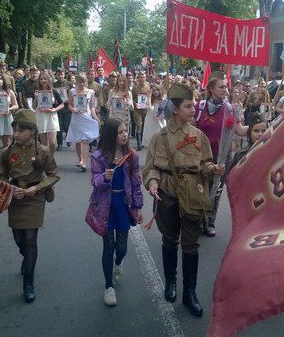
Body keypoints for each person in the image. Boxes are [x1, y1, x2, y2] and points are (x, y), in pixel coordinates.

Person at [143, 83, 225, 317]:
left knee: (191, 245)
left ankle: (190, 293)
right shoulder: (159, 137)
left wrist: (213, 168)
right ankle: (171, 282)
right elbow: (150, 169)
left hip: (191, 196)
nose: (193, 109)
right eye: (188, 106)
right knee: (170, 239)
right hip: (167, 194)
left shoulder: (199, 136)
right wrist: (153, 183)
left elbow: (205, 163)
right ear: (176, 109)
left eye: (193, 105)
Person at [0, 109, 60, 303]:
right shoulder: (7, 152)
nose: (16, 134)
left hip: (35, 197)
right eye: (14, 129)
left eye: (21, 130)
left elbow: (53, 175)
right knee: (19, 239)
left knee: (30, 238)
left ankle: (28, 282)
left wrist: (36, 189)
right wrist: (9, 188)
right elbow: (0, 176)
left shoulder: (43, 151)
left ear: (32, 131)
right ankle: (27, 258)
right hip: (16, 198)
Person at [89, 118, 143, 306]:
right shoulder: (98, 156)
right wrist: (104, 177)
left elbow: (136, 183)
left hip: (123, 204)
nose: (125, 135)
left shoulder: (131, 156)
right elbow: (94, 181)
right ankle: (108, 287)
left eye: (126, 131)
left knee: (122, 248)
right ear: (111, 135)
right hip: (105, 205)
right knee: (108, 247)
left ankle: (119, 263)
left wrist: (137, 207)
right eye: (120, 132)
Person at [195, 78, 246, 237]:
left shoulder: (231, 109)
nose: (225, 89)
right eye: (221, 87)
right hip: (201, 157)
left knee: (216, 189)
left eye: (226, 87)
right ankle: (197, 219)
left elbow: (239, 131)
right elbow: (189, 127)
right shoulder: (199, 106)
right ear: (211, 89)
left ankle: (210, 222)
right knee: (200, 188)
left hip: (222, 157)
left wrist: (261, 127)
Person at [66, 74, 100, 171]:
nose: (82, 83)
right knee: (78, 140)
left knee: (85, 140)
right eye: (80, 81)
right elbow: (70, 105)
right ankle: (80, 159)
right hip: (76, 118)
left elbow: (92, 107)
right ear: (76, 82)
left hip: (86, 117)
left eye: (84, 81)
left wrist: (95, 117)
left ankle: (84, 162)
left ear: (86, 82)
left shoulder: (91, 92)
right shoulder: (72, 91)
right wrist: (73, 110)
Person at [0, 72, 19, 174]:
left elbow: (16, 105)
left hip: (6, 118)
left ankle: (7, 164)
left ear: (4, 80)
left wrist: (9, 109)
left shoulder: (9, 92)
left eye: (1, 79)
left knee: (7, 143)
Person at [32, 72, 64, 155]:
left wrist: (55, 109)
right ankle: (45, 159)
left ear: (48, 80)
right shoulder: (37, 91)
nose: (43, 81)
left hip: (51, 116)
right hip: (41, 116)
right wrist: (36, 98)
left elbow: (62, 104)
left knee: (52, 143)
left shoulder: (53, 91)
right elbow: (34, 106)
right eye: (41, 79)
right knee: (43, 143)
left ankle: (51, 158)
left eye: (45, 79)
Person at [131, 72, 151, 151]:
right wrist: (135, 103)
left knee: (144, 125)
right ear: (138, 78)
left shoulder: (148, 87)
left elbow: (151, 98)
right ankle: (139, 143)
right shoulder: (135, 88)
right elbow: (132, 98)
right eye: (141, 77)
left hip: (145, 110)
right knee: (139, 125)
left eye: (144, 77)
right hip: (137, 110)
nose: (142, 79)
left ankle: (142, 141)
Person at [54, 68, 73, 151]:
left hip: (67, 108)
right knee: (59, 127)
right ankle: (60, 144)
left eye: (61, 74)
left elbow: (74, 94)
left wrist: (70, 99)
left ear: (64, 74)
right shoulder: (53, 85)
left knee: (67, 125)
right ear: (56, 75)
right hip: (57, 107)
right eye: (58, 74)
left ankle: (69, 139)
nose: (60, 76)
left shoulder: (69, 84)